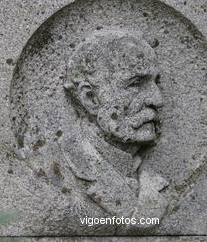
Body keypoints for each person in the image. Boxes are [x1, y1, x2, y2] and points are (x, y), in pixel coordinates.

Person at [61, 29, 168, 223]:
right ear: (91, 98)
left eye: (156, 82)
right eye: (136, 83)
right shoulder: (58, 170)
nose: (157, 100)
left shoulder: (149, 177)